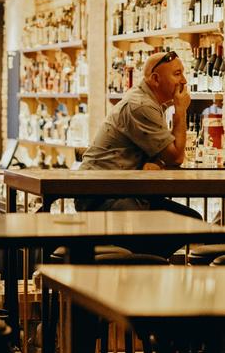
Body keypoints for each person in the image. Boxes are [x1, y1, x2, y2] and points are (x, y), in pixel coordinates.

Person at [75, 51, 201, 256]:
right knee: (187, 224)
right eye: (177, 74)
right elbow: (176, 156)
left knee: (190, 221)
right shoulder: (141, 105)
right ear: (156, 79)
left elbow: (161, 155)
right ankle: (141, 270)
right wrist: (181, 110)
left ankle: (146, 269)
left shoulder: (148, 102)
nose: (184, 81)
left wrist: (157, 161)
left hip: (118, 193)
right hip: (103, 198)